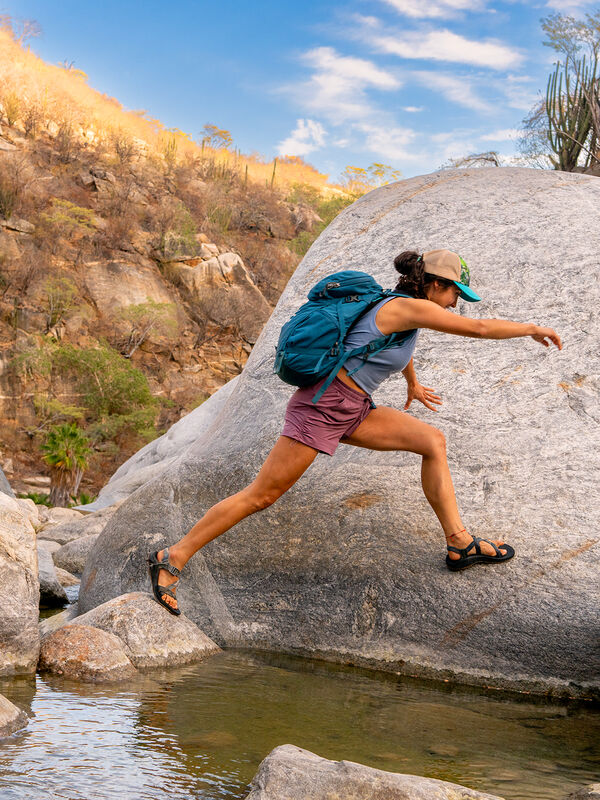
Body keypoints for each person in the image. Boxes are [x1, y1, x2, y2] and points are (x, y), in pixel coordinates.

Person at [148, 249, 562, 615]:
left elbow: (390, 346)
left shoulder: (403, 310)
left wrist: (411, 383)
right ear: (435, 285)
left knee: (432, 442)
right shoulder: (406, 306)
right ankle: (173, 556)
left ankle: (459, 543)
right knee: (262, 495)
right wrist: (530, 328)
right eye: (455, 294)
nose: (457, 304)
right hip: (323, 407)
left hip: (354, 407)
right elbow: (481, 330)